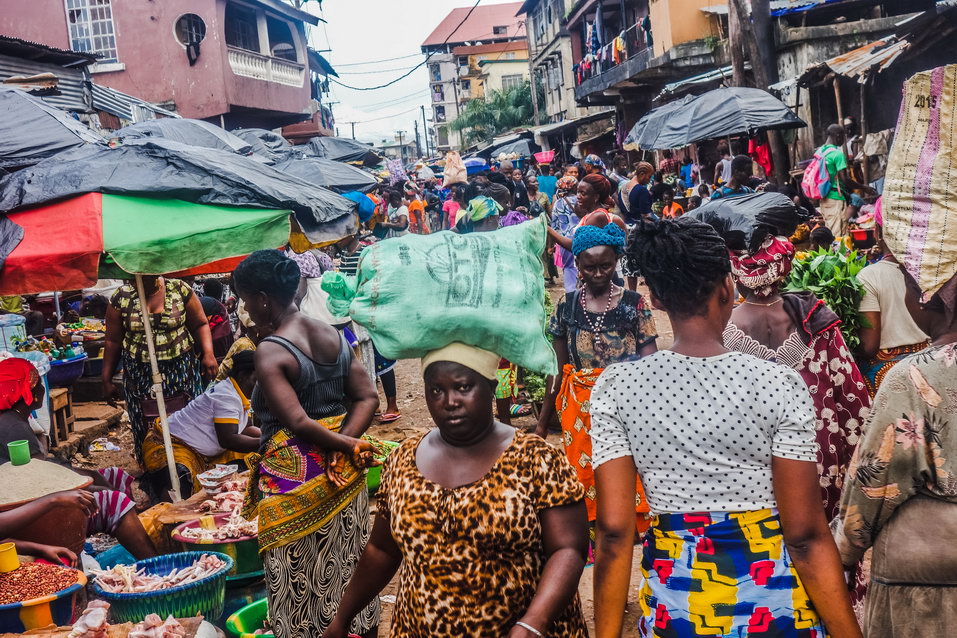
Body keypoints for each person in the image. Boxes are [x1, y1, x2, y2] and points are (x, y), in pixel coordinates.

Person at [592, 217, 863, 638]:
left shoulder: (617, 387)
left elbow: (613, 534)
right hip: (777, 612)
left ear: (657, 299)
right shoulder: (779, 384)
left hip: (677, 611)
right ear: (728, 288)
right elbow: (806, 536)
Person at [322, 343, 589, 638]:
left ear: (490, 386)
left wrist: (533, 623)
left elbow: (568, 549)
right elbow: (382, 550)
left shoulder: (536, 458)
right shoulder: (403, 459)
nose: (449, 401)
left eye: (463, 387)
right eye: (436, 390)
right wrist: (341, 619)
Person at [234, 250, 380, 638]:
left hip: (293, 479)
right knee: (350, 562)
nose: (247, 310)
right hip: (343, 476)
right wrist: (345, 444)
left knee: (296, 579)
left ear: (264, 298)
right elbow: (367, 398)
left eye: (247, 300)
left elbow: (297, 422)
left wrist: (340, 446)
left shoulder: (271, 349)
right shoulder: (330, 333)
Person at [833, 266, 957, 636]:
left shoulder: (913, 377)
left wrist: (841, 553)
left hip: (929, 588)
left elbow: (871, 488)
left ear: (929, 298)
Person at [722, 234, 870, 521]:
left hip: (750, 472)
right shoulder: (818, 321)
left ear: (737, 277)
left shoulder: (720, 330)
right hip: (818, 461)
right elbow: (854, 403)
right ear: (784, 270)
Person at [536, 222, 657, 558]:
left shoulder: (634, 303)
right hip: (579, 413)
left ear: (617, 260)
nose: (598, 272)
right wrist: (543, 424)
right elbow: (557, 370)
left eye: (606, 265)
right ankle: (598, 547)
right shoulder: (568, 305)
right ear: (578, 265)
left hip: (628, 406)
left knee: (630, 476)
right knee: (585, 478)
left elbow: (651, 363)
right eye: (589, 267)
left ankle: (634, 544)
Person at [0, 358, 157, 559]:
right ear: (27, 392)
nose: (42, 389)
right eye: (38, 384)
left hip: (41, 497)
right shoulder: (12, 426)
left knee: (114, 475)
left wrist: (89, 477)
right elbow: (40, 482)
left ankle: (135, 530)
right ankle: (153, 561)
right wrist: (90, 486)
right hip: (32, 511)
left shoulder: (16, 419)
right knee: (113, 500)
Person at [102, 276, 216, 461]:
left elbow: (200, 324)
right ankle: (154, 471)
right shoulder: (121, 297)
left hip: (180, 371)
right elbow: (112, 341)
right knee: (146, 423)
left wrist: (208, 353)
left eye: (145, 280)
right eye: (132, 280)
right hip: (140, 375)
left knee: (185, 421)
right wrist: (106, 379)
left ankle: (190, 466)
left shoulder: (179, 289)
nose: (138, 284)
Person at [141, 350, 260, 497]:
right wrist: (266, 442)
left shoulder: (236, 392)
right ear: (243, 376)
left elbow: (245, 428)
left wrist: (272, 435)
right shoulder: (226, 396)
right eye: (258, 380)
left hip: (200, 450)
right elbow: (229, 439)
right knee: (182, 481)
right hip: (173, 444)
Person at [856, 226, 930, 395]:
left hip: (887, 377)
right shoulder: (926, 273)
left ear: (877, 233)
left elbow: (869, 347)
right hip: (927, 365)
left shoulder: (868, 276)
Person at [816, 123, 874, 237]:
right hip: (835, 197)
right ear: (838, 135)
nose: (844, 139)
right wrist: (864, 187)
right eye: (843, 136)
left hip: (824, 198)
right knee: (838, 235)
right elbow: (845, 179)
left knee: (832, 230)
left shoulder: (819, 151)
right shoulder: (837, 154)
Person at [550, 176, 581, 293]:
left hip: (564, 241)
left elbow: (554, 225)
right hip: (581, 238)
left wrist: (552, 244)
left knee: (568, 268)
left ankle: (570, 293)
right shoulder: (581, 201)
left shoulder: (558, 203)